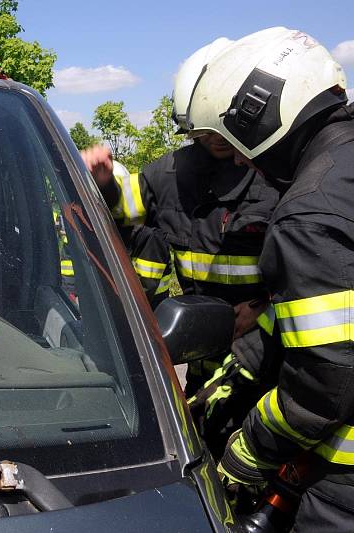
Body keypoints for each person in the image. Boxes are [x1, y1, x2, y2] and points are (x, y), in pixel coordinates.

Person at [186, 27, 353, 531]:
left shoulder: (309, 212)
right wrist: (238, 371)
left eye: (240, 141)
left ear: (265, 114)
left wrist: (248, 450)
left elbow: (324, 386)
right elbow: (325, 319)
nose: (239, 159)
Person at [83, 37, 281, 398]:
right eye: (204, 129)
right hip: (201, 356)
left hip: (268, 353)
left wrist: (263, 307)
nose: (216, 139)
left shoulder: (278, 175)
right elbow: (121, 213)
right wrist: (104, 183)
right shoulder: (169, 174)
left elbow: (318, 266)